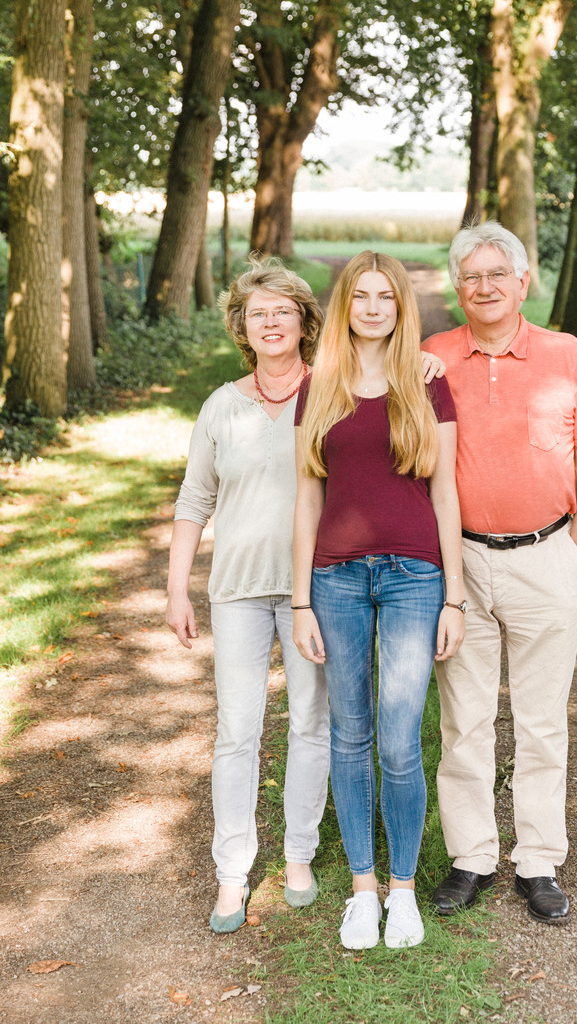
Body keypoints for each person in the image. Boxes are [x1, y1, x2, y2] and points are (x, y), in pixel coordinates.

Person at [423, 223, 577, 926]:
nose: (483, 288)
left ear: (522, 282)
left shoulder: (565, 355)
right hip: (461, 563)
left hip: (546, 557)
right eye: (470, 277)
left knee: (540, 723)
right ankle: (472, 855)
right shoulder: (432, 358)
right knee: (464, 720)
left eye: (495, 275)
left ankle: (537, 860)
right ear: (457, 286)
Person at [292, 251, 466, 951]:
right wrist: (301, 597)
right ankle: (362, 889)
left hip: (412, 577)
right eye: (358, 296)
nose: (371, 307)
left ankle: (403, 890)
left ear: (401, 306)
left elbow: (445, 491)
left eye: (383, 296)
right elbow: (306, 493)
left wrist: (453, 596)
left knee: (399, 739)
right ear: (344, 307)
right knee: (349, 730)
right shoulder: (320, 387)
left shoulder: (427, 383)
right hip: (334, 578)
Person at [166, 257, 330, 934]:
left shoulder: (331, 394)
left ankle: (297, 856)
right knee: (237, 733)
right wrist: (177, 588)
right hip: (234, 591)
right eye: (257, 312)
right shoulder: (220, 404)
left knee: (310, 725)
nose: (269, 322)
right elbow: (194, 500)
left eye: (282, 311)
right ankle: (232, 871)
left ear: (302, 322)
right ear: (243, 325)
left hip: (312, 593)